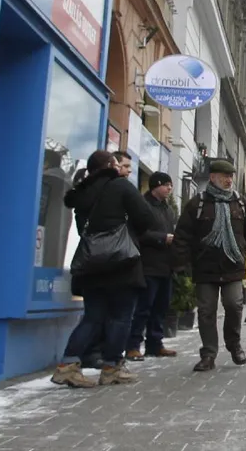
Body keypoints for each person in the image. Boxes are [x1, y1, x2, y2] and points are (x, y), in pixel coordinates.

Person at [52, 150, 162, 388]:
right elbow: (146, 219)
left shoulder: (82, 192)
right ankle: (111, 368)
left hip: (91, 262)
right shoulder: (120, 186)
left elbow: (82, 228)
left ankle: (67, 365)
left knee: (93, 317)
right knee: (121, 317)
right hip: (121, 261)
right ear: (111, 165)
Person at [173, 159, 246, 371]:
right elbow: (182, 236)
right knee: (206, 310)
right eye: (224, 177)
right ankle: (208, 354)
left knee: (234, 305)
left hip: (233, 266)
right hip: (205, 267)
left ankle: (234, 345)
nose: (229, 180)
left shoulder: (241, 204)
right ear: (213, 177)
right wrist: (181, 263)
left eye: (230, 176)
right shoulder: (197, 204)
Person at [126, 171, 179, 361]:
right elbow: (138, 233)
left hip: (166, 266)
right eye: (166, 185)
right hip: (148, 264)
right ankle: (133, 345)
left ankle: (155, 344)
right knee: (143, 308)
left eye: (170, 185)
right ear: (156, 186)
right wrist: (163, 238)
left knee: (160, 308)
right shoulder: (143, 206)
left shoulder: (168, 209)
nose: (169, 188)